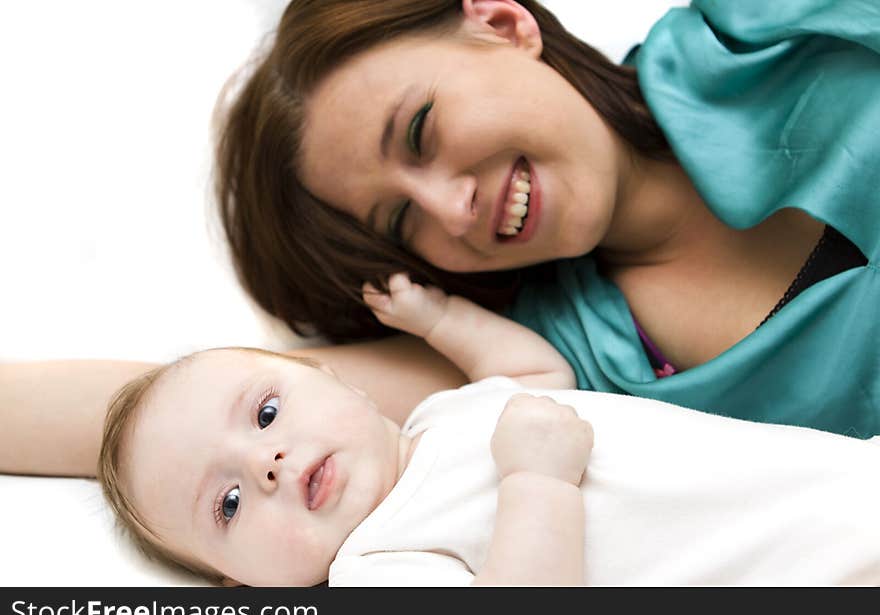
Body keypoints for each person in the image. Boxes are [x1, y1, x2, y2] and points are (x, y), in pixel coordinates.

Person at [2, 0, 878, 479]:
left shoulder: (765, 29)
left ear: (501, 24)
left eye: (420, 130)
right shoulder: (557, 361)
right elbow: (174, 409)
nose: (451, 208)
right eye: (401, 222)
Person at [98, 277, 880, 586]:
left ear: (336, 379)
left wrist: (442, 320)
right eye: (228, 504)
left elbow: (540, 381)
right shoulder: (378, 566)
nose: (265, 462)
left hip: (839, 484)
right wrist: (536, 483)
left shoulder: (443, 415)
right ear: (245, 587)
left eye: (267, 413)